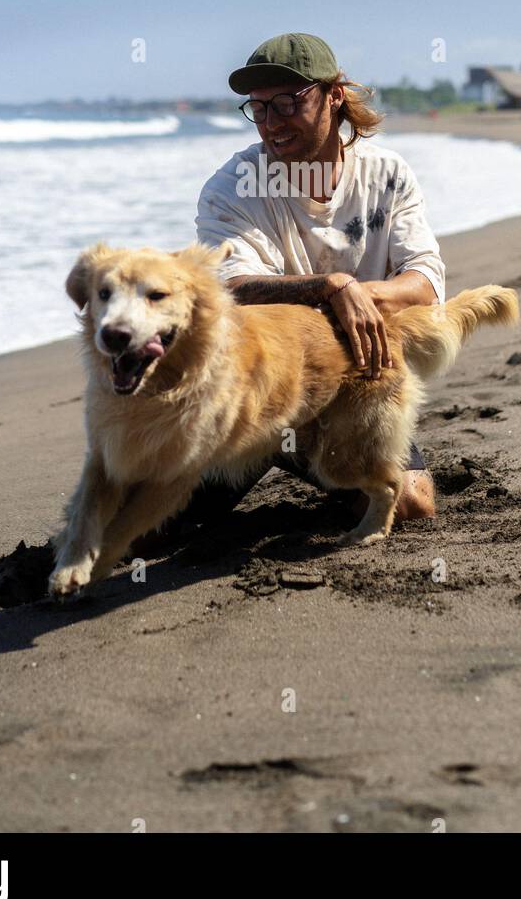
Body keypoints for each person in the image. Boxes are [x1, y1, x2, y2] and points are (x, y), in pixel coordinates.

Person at [177, 32, 446, 533]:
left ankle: (322, 466)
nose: (271, 123)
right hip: (261, 390)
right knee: (160, 531)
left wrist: (363, 298)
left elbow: (425, 281)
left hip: (356, 385)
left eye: (286, 102)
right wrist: (331, 287)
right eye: (256, 108)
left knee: (411, 506)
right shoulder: (232, 187)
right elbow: (231, 288)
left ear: (334, 96)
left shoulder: (386, 175)